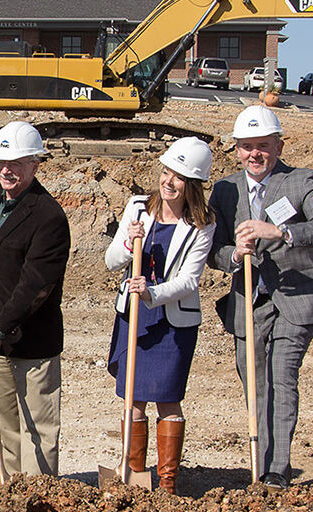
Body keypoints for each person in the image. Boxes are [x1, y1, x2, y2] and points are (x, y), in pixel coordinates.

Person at [207, 105, 313, 488]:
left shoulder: (301, 182)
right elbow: (212, 250)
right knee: (255, 381)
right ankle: (260, 461)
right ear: (236, 150)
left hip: (296, 297)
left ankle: (276, 470)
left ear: (279, 146)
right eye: (247, 147)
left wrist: (282, 233)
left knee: (282, 377)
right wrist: (233, 255)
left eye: (263, 146)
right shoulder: (226, 190)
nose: (255, 154)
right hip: (249, 299)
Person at [102, 137, 216, 493]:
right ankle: (135, 475)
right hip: (134, 315)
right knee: (133, 397)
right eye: (166, 171)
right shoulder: (137, 207)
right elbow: (110, 262)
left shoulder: (202, 223)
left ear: (192, 185)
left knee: (168, 399)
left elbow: (190, 280)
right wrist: (127, 243)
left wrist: (152, 293)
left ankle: (166, 483)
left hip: (171, 321)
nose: (168, 181)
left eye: (178, 176)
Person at [0, 121, 70, 477]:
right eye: (1, 162)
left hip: (30, 339)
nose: (6, 169)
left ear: (36, 164)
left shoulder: (48, 217)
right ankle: (9, 486)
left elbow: (35, 286)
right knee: (5, 422)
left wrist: (0, 329)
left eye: (16, 163)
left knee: (37, 426)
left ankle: (37, 494)